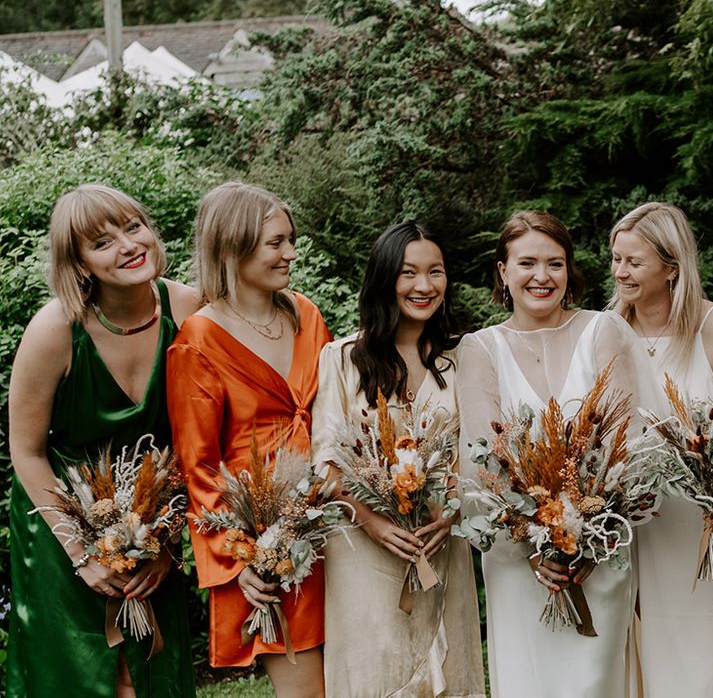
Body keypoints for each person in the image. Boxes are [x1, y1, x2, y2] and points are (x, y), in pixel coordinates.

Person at [8, 184, 198, 697]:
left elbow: (202, 441)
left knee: (152, 667)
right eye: (102, 241)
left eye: (133, 227)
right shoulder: (53, 330)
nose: (128, 245)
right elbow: (25, 451)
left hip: (155, 517)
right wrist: (81, 553)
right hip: (61, 519)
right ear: (80, 263)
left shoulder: (190, 311)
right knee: (76, 672)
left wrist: (169, 541)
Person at [458, 210, 644, 697]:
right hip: (518, 561)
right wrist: (533, 545)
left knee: (594, 684)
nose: (542, 276)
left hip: (597, 555)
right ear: (503, 271)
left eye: (555, 263)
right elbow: (483, 460)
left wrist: (586, 536)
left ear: (570, 270)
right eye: (527, 263)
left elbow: (625, 439)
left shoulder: (602, 331)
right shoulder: (480, 348)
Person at [167, 182, 330, 696]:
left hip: (334, 516)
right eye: (276, 243)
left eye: (291, 240)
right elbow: (198, 465)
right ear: (232, 247)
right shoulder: (198, 340)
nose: (291, 253)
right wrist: (238, 559)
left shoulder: (305, 314)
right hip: (269, 536)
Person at [311, 221, 484, 697]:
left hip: (440, 543)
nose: (424, 286)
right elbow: (325, 461)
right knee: (374, 671)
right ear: (386, 278)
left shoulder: (462, 359)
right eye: (409, 273)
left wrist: (451, 512)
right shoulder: (342, 357)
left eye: (436, 272)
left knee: (451, 670)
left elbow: (481, 456)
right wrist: (370, 520)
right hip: (363, 550)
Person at [610, 201, 713, 697]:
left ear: (672, 267)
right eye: (616, 259)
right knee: (650, 647)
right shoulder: (608, 331)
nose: (621, 272)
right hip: (644, 528)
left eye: (634, 262)